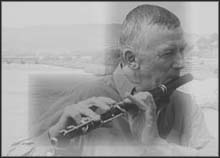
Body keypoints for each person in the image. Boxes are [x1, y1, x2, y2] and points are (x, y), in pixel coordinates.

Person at [8, 4, 217, 156]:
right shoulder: (83, 94)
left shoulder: (185, 104)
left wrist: (156, 146)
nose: (181, 63)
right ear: (131, 59)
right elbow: (14, 152)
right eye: (168, 53)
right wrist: (55, 142)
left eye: (183, 51)